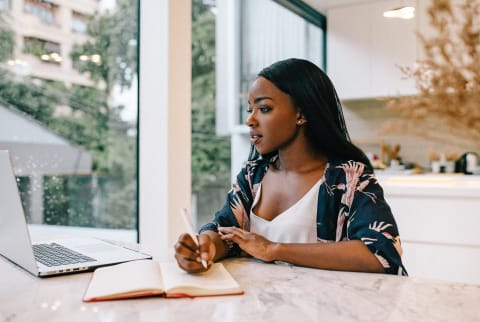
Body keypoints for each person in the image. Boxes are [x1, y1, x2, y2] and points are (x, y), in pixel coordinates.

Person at [174, 58, 407, 276]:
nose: (250, 120)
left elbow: (381, 254)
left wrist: (274, 249)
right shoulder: (252, 175)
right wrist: (205, 246)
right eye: (250, 110)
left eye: (264, 109)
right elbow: (224, 231)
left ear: (301, 114)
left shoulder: (350, 178)